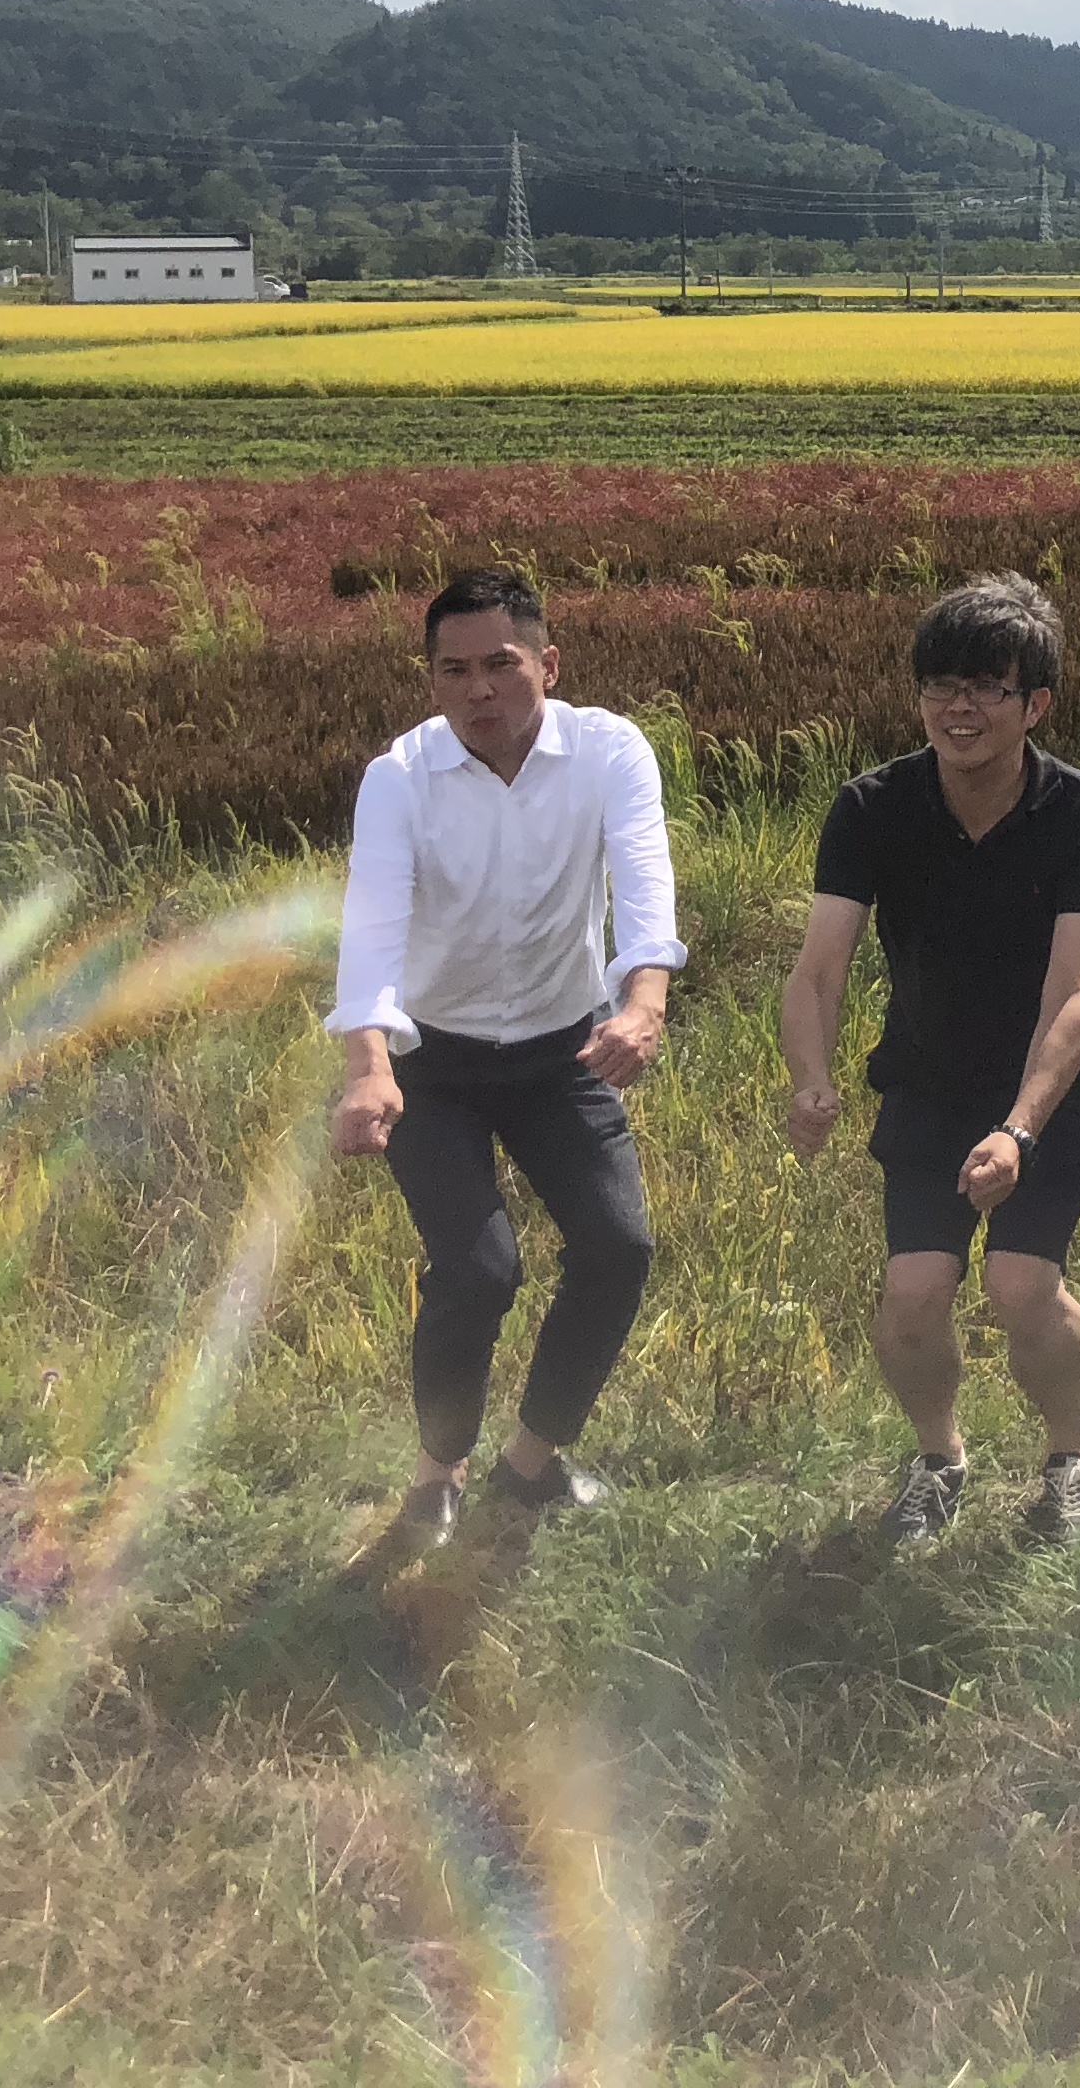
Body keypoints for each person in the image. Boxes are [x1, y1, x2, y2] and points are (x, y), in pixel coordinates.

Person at [328, 568, 682, 1548]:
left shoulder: (609, 751)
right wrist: (368, 1064)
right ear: (431, 680)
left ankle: (530, 1464)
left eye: (502, 664)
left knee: (618, 1248)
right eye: (455, 672)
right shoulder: (401, 779)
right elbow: (371, 930)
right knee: (479, 1270)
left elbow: (644, 884)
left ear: (548, 664)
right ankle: (438, 1469)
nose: (479, 690)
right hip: (431, 1062)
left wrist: (644, 1004)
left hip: (563, 1048)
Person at [780, 576, 1080, 1548]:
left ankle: (1073, 1457)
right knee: (911, 1298)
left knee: (1019, 1286)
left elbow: (1076, 992)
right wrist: (811, 1078)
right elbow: (818, 970)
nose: (958, 707)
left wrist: (1019, 1130)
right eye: (940, 684)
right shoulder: (872, 808)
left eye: (986, 686)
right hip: (931, 1074)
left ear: (1037, 705)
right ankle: (939, 1459)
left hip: (1058, 1079)